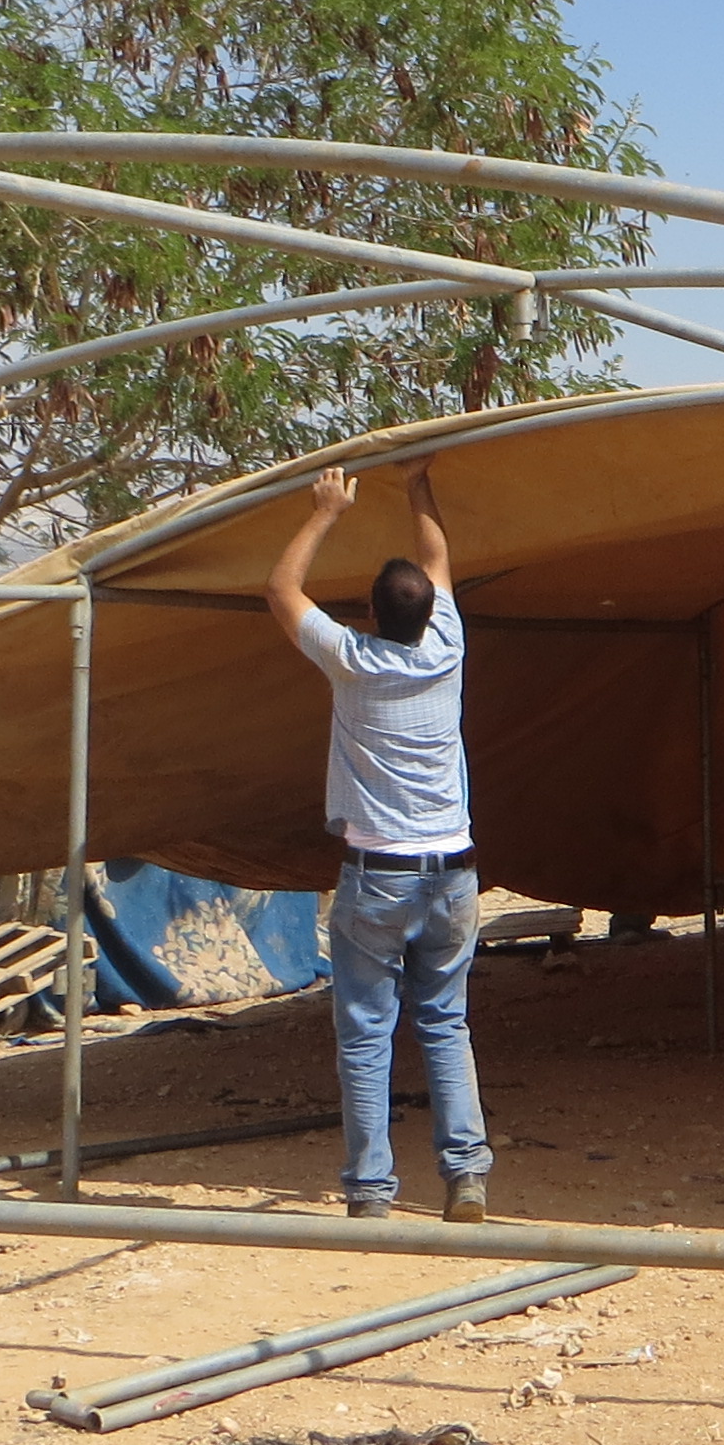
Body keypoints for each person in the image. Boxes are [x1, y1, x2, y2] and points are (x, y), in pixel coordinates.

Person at [265, 461, 494, 1220]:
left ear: (368, 611)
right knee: (445, 1022)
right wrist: (420, 484)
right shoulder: (447, 649)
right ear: (432, 613)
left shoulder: (352, 663)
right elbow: (437, 559)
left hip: (379, 874)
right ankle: (465, 1174)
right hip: (453, 872)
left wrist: (326, 510)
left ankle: (370, 1192)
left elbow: (281, 591)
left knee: (366, 1033)